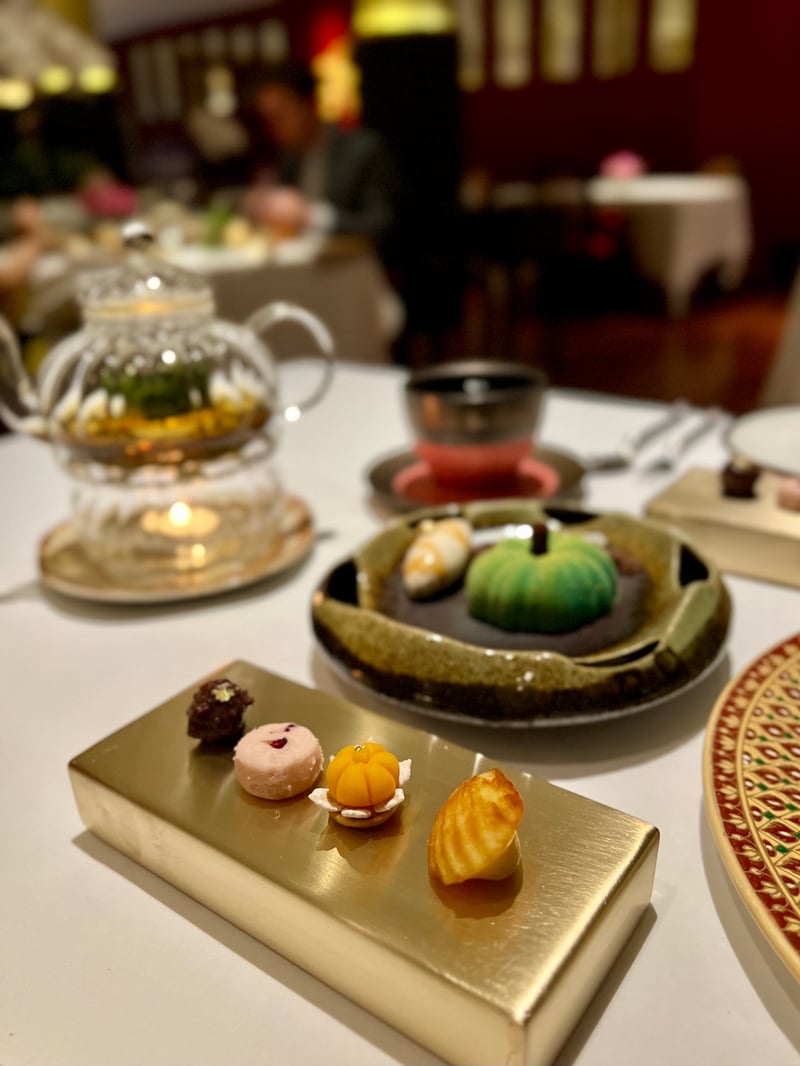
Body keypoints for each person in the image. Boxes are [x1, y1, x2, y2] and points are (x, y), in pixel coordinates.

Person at [245, 60, 400, 256]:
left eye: (280, 115)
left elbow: (383, 224)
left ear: (310, 103)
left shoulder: (363, 151)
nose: (273, 127)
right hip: (305, 266)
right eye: (268, 119)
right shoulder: (290, 158)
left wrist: (311, 216)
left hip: (359, 267)